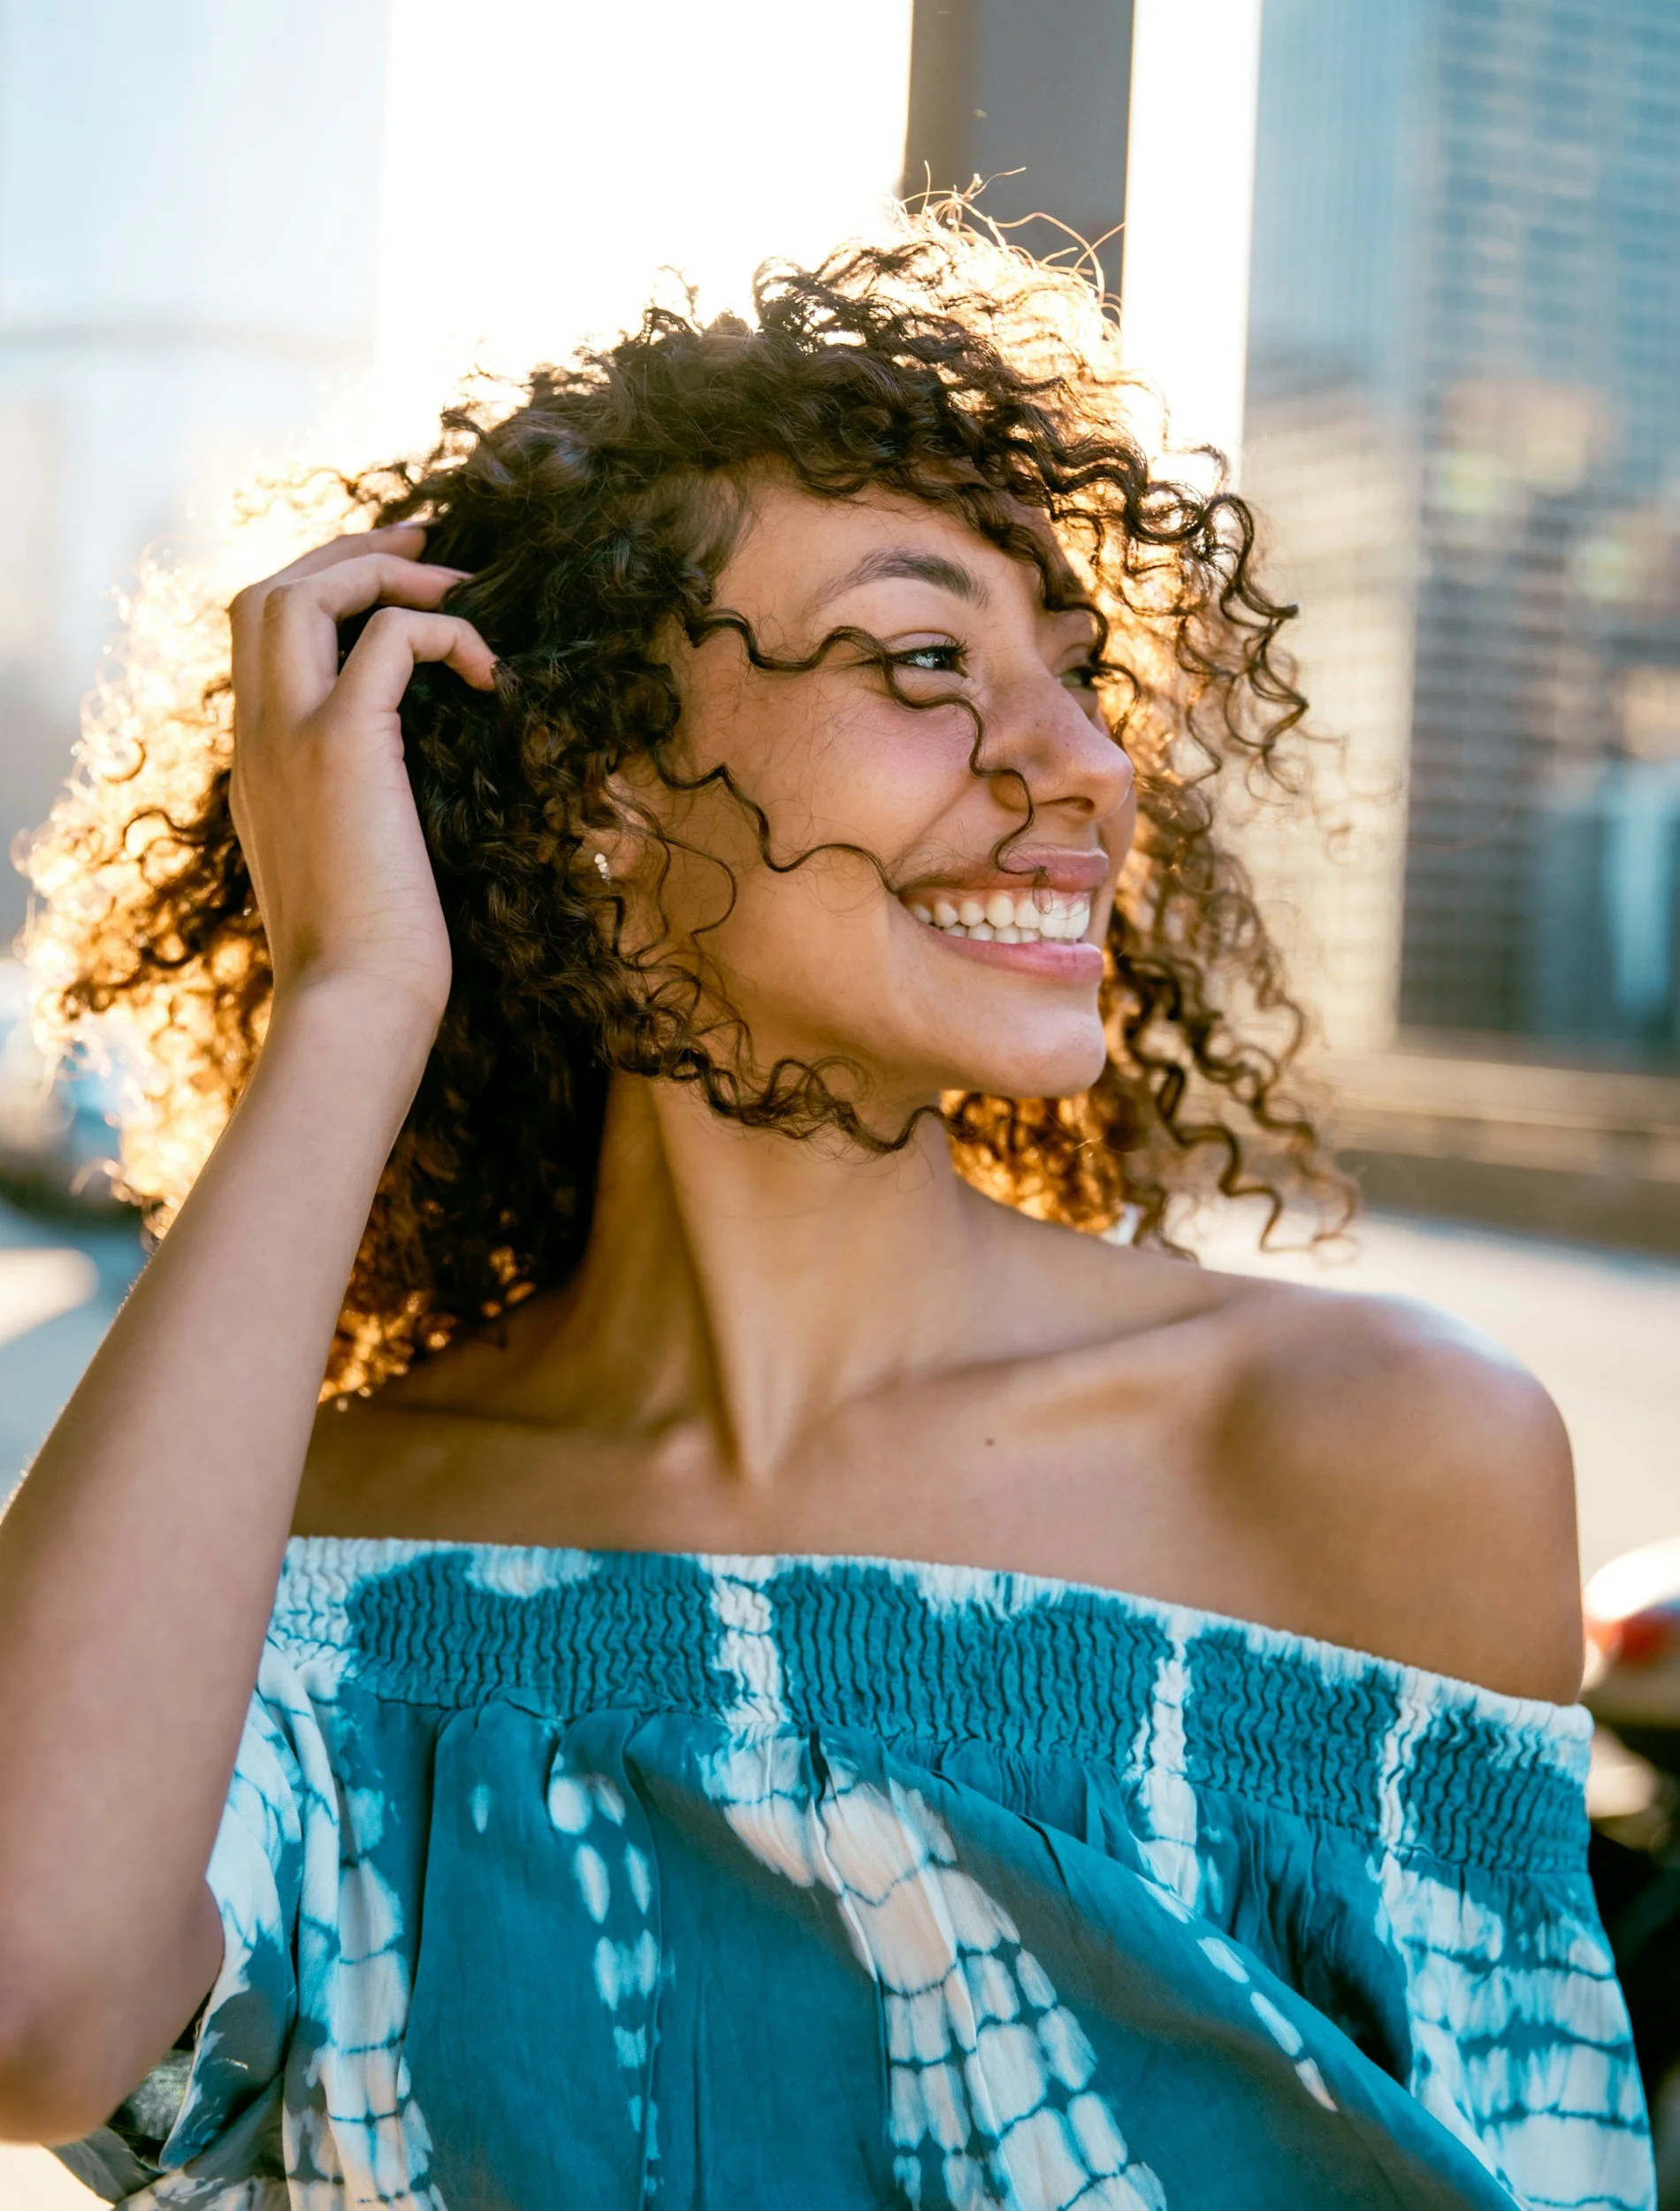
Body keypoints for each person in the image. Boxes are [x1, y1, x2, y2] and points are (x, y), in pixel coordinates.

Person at [0, 219, 1654, 2210]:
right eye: (926, 659)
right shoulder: (295, 1538)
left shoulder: (1368, 1456)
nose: (1083, 766)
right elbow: (36, 2007)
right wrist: (353, 993)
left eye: (1076, 672)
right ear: (591, 794)